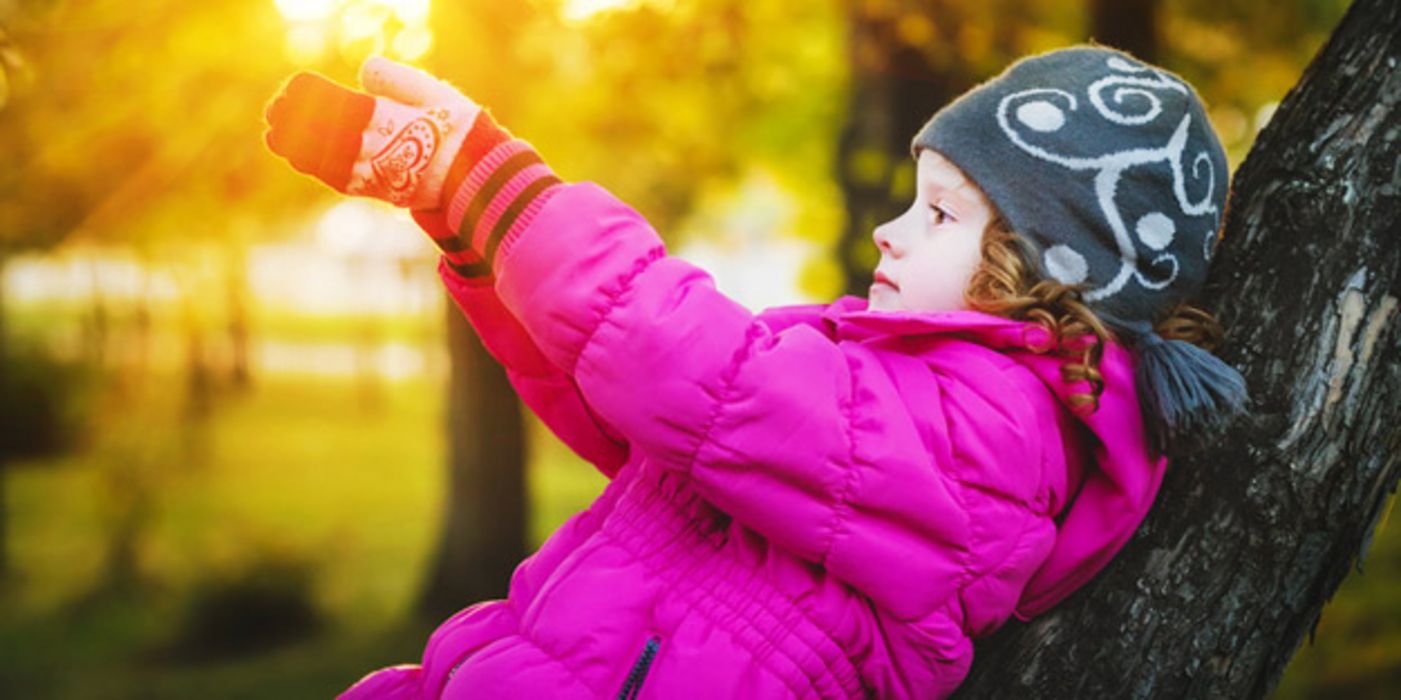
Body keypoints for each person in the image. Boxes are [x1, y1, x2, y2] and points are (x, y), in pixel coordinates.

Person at [263, 44, 1247, 699]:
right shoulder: (895, 376)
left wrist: (489, 178)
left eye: (941, 213)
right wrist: (473, 234)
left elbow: (685, 367)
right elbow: (647, 421)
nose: (890, 232)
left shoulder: (989, 435)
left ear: (1043, 267)